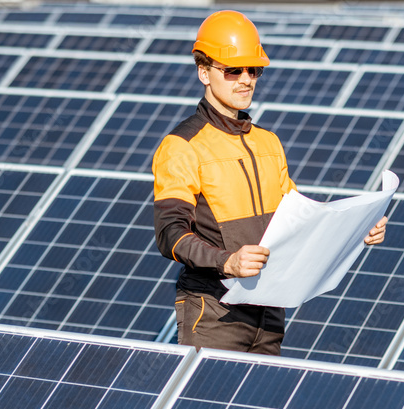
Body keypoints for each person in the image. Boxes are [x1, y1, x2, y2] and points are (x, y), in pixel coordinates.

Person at [152, 10, 387, 355]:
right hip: (215, 311)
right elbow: (169, 234)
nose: (246, 79)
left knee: (257, 407)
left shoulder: (268, 143)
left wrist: (358, 227)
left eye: (254, 70)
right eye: (233, 70)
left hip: (270, 308)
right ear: (204, 72)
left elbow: (298, 219)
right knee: (209, 406)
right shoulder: (182, 145)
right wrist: (227, 262)